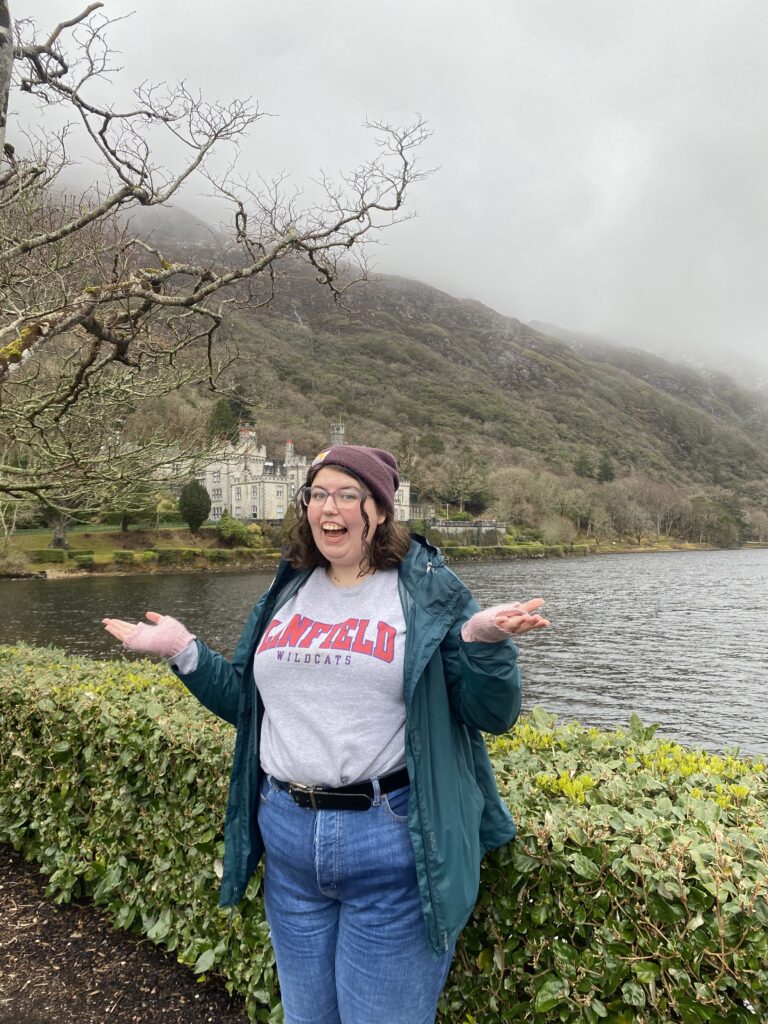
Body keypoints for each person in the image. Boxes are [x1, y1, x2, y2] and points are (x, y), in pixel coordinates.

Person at [103, 444, 549, 1024]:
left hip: (389, 844)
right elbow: (249, 705)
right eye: (316, 494)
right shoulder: (289, 589)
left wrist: (485, 644)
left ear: (380, 510)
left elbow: (490, 714)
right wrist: (184, 652)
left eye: (346, 494)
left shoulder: (424, 594)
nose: (327, 507)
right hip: (287, 841)